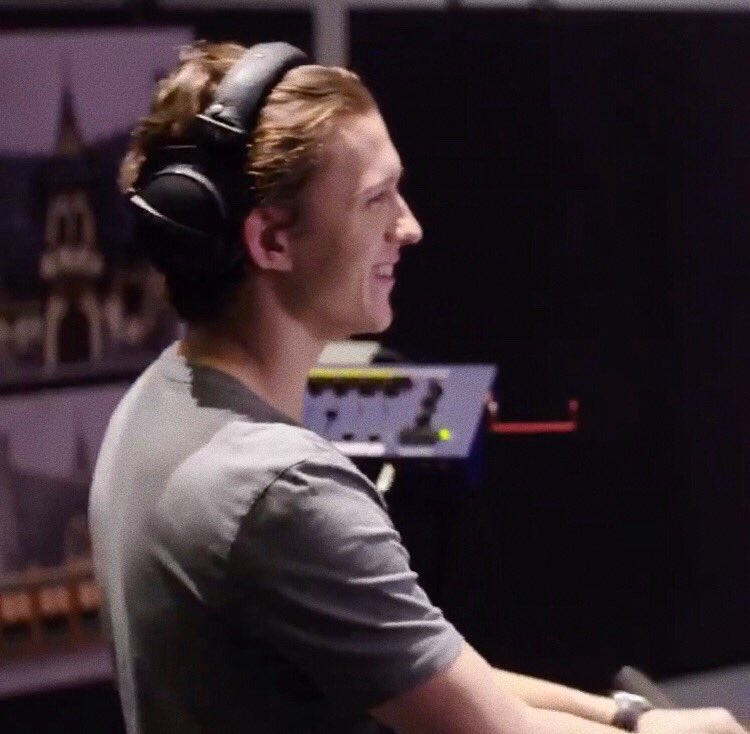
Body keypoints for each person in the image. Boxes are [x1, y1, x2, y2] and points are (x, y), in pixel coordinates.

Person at [88, 40, 747, 734]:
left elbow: (426, 672)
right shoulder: (280, 491)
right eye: (375, 200)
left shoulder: (155, 402)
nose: (408, 227)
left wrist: (625, 716)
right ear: (272, 241)